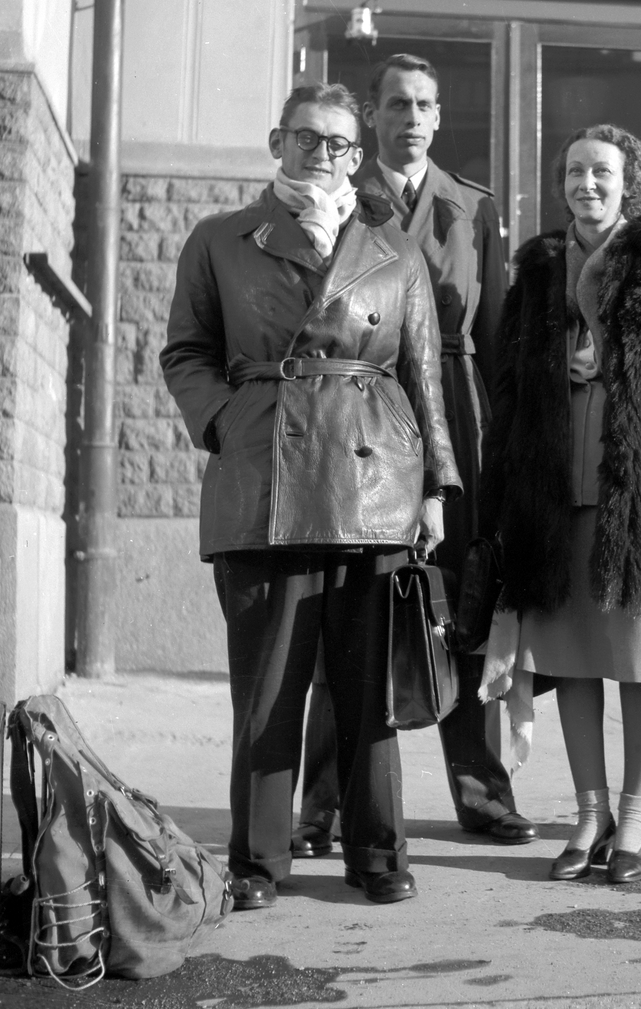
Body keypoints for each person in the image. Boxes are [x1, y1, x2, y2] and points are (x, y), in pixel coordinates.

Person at [160, 81, 460, 909]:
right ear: (277, 142)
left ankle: (378, 852)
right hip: (266, 480)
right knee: (267, 692)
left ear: (357, 156)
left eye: (338, 143)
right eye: (306, 138)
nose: (321, 154)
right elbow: (186, 352)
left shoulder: (394, 250)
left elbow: (423, 378)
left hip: (374, 480)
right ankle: (259, 862)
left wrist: (437, 487)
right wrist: (229, 421)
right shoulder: (221, 239)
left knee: (369, 690)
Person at [291, 53, 538, 858]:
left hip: (455, 408)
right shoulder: (341, 196)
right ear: (373, 116)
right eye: (397, 103)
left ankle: (483, 792)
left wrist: (498, 441)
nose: (412, 118)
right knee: (351, 603)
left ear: (439, 116)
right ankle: (323, 807)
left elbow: (495, 333)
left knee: (461, 600)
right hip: (361, 411)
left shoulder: (473, 206)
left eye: (425, 104)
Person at [481, 124, 641, 883]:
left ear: (633, 181)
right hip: (554, 488)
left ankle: (634, 819)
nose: (586, 184)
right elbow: (509, 391)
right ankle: (589, 816)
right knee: (572, 658)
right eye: (574, 172)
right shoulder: (538, 266)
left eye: (602, 172)